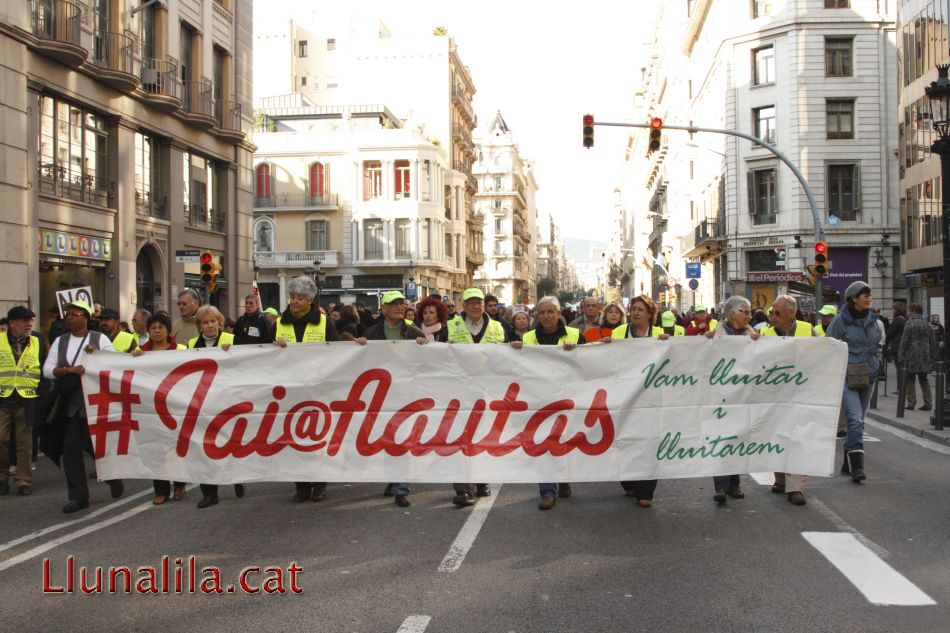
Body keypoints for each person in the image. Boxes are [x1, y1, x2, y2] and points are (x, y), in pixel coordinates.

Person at [42, 300, 122, 513]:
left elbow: (113, 364)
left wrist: (95, 354)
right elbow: (47, 369)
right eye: (68, 314)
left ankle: (113, 477)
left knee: (94, 446)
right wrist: (68, 371)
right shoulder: (60, 341)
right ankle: (78, 497)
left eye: (75, 314)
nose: (69, 317)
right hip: (68, 403)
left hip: (93, 403)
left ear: (86, 318)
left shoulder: (100, 339)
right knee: (70, 451)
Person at [274, 276, 341, 504]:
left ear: (310, 300)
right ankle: (301, 485)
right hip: (289, 391)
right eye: (292, 297)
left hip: (317, 390)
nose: (295, 301)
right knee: (293, 440)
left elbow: (339, 353)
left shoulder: (324, 322)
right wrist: (272, 347)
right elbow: (259, 353)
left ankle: (319, 484)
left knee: (316, 440)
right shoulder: (278, 324)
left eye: (300, 298)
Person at [357, 291, 425, 508]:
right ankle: (393, 478)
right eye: (393, 304)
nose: (398, 307)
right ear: (383, 308)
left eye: (401, 304)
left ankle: (401, 488)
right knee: (385, 438)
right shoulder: (370, 333)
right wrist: (359, 347)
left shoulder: (414, 332)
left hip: (405, 395)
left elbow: (423, 363)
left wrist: (424, 345)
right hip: (381, 395)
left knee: (402, 438)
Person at [512, 296, 580, 510]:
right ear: (537, 315)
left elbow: (593, 361)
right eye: (542, 312)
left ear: (559, 314)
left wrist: (578, 351)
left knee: (565, 440)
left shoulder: (576, 335)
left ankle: (564, 478)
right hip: (538, 399)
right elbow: (516, 366)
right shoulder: (529, 338)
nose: (546, 316)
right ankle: (547, 491)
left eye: (551, 312)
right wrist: (513, 350)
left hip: (569, 397)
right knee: (542, 442)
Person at [604, 295, 668, 506]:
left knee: (650, 442)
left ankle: (646, 491)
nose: (636, 312)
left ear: (650, 314)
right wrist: (605, 346)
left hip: (652, 397)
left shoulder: (662, 334)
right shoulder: (618, 332)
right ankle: (629, 480)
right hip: (624, 396)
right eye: (633, 309)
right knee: (626, 439)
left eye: (641, 309)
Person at [445, 288, 506, 507]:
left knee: (482, 438)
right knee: (460, 439)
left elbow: (508, 357)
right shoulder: (450, 326)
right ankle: (463, 489)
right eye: (470, 302)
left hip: (487, 393)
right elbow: (437, 355)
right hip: (459, 393)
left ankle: (482, 481)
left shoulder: (499, 327)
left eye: (478, 302)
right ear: (464, 305)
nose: (474, 306)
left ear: (484, 305)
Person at [186, 305, 245, 508]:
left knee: (231, 443)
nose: (210, 325)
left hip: (228, 402)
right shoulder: (192, 344)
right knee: (203, 447)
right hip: (203, 403)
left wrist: (233, 354)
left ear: (219, 323)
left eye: (213, 321)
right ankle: (209, 493)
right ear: (199, 326)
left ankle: (237, 478)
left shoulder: (232, 340)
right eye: (205, 322)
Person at [761, 295, 817, 506]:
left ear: (791, 313)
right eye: (771, 312)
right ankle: (780, 479)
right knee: (777, 437)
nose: (772, 317)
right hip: (773, 396)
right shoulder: (764, 333)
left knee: (798, 438)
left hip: (800, 394)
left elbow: (822, 355)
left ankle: (796, 487)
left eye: (777, 313)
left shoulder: (807, 330)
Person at [826, 281, 880, 484]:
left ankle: (848, 461)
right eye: (864, 295)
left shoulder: (873, 319)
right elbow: (829, 346)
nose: (869, 298)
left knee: (858, 421)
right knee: (855, 419)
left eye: (869, 294)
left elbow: (877, 344)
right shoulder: (840, 321)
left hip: (869, 375)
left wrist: (877, 362)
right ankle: (858, 467)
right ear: (854, 298)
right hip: (848, 376)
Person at [131, 312, 187, 505]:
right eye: (153, 327)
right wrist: (134, 359)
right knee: (156, 448)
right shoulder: (141, 351)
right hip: (151, 407)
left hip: (175, 405)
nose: (156, 331)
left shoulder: (180, 349)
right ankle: (160, 489)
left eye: (160, 327)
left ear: (168, 330)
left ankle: (179, 483)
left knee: (176, 446)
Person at [708, 295, 759, 505]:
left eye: (749, 311)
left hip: (741, 396)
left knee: (737, 438)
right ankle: (720, 486)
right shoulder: (714, 335)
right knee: (719, 439)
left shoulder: (753, 336)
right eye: (745, 311)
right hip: (718, 396)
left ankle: (734, 484)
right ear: (732, 314)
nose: (749, 315)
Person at [0, 306, 47, 497]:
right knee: (1, 440)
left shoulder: (37, 341)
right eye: (24, 320)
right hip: (2, 399)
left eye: (31, 320)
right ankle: (2, 478)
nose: (29, 324)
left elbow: (44, 370)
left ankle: (23, 480)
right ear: (12, 323)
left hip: (27, 400)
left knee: (24, 443)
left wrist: (42, 397)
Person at [898, 304, 935, 412]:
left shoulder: (909, 324)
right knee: (924, 380)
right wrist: (933, 357)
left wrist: (900, 355)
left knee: (910, 379)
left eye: (909, 311)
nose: (908, 313)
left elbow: (904, 341)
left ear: (913, 311)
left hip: (911, 356)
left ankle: (911, 402)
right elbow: (932, 342)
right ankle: (928, 403)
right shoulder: (927, 324)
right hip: (925, 356)